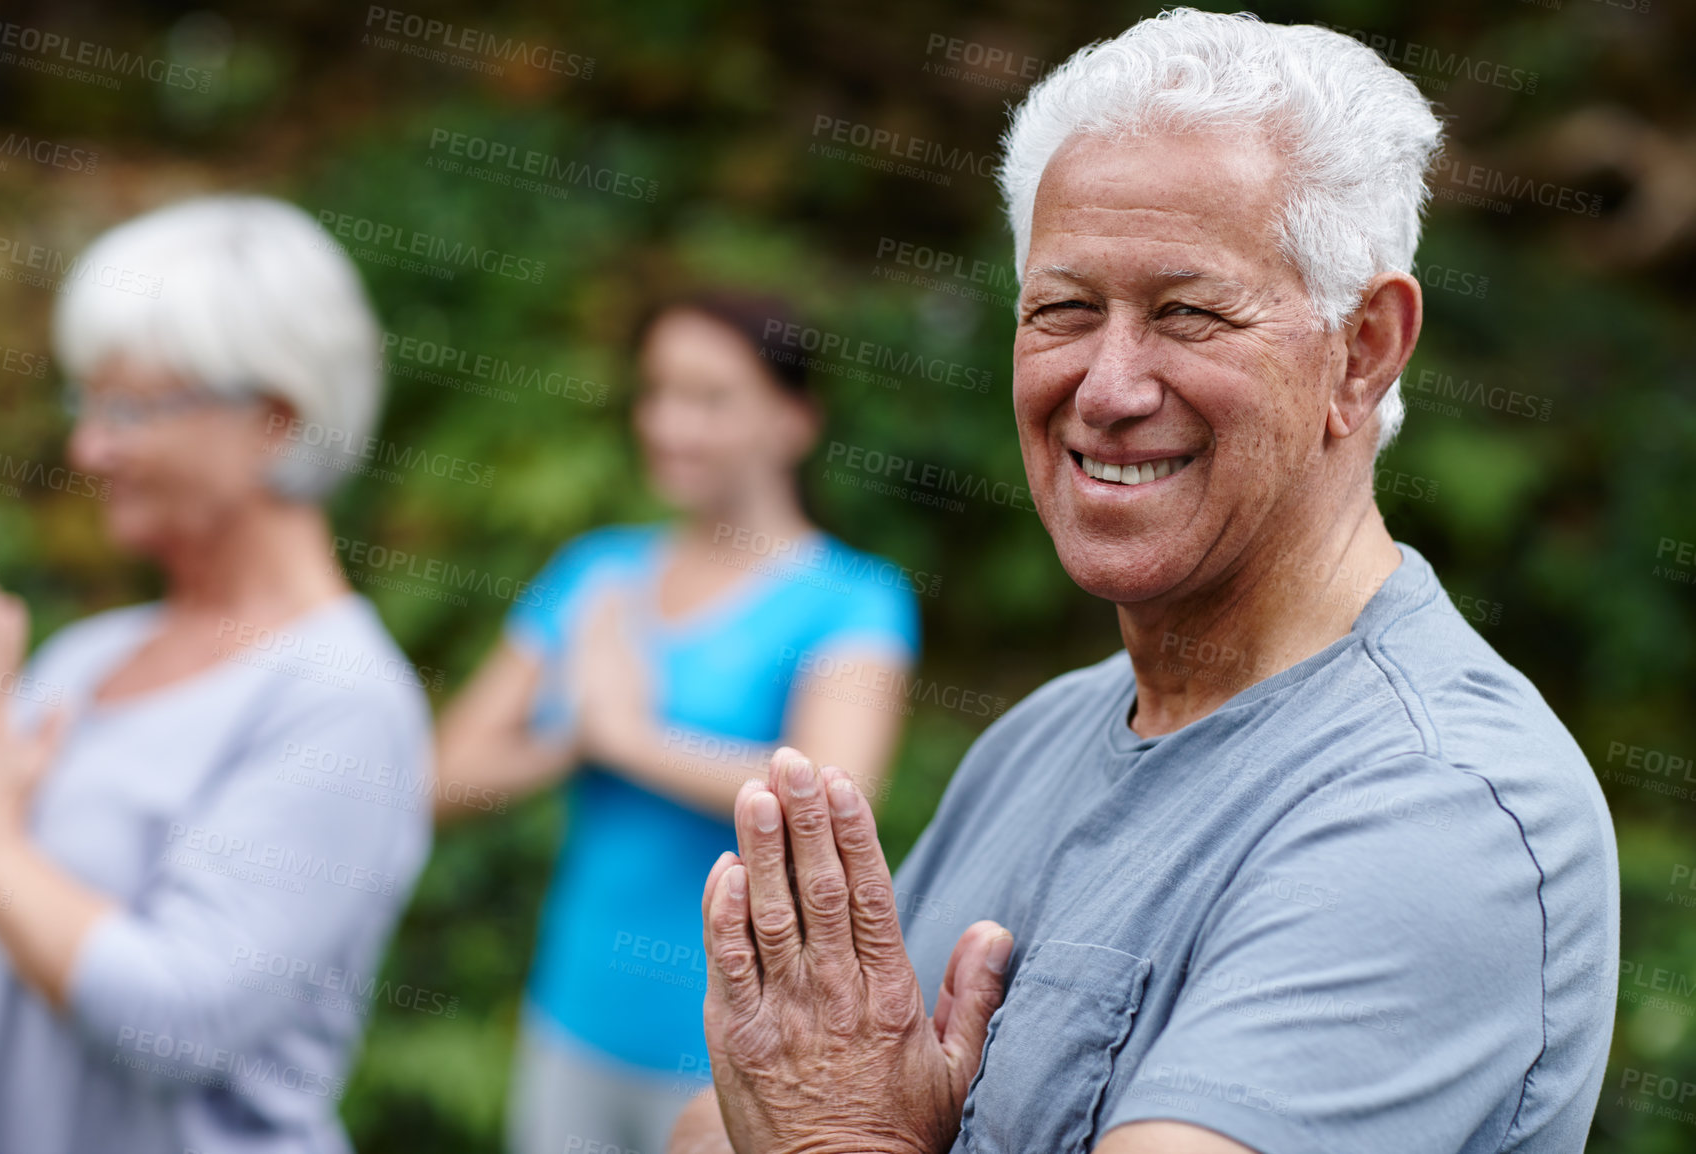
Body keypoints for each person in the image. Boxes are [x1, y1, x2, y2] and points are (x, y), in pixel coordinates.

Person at [671, 10, 1618, 1154]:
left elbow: (799, 1122)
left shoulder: (1438, 807)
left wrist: (839, 1138)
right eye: (1063, 309)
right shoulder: (1041, 735)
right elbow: (712, 1128)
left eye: (1188, 312)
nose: (1108, 387)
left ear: (1362, 349)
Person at [0, 195, 432, 1154]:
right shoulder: (85, 656)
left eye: (128, 408)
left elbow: (176, 1021)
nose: (88, 448)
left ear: (273, 419)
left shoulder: (344, 703)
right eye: (83, 402)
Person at [435, 292, 921, 1154]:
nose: (668, 422)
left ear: (792, 420)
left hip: (741, 1067)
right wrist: (572, 739)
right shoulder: (598, 573)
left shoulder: (853, 600)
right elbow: (441, 778)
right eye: (657, 391)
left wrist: (625, 737)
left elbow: (837, 797)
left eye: (709, 397)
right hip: (569, 1028)